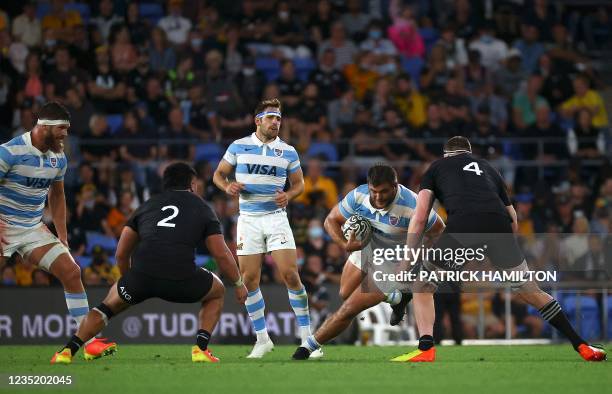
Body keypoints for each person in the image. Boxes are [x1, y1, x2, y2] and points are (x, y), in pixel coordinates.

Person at [391, 136, 607, 362]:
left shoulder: (436, 167)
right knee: (529, 290)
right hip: (499, 227)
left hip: (463, 224)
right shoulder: (488, 168)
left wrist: (407, 261)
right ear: (469, 152)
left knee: (423, 285)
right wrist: (499, 251)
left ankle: (426, 349)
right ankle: (581, 345)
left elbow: (420, 216)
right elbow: (513, 218)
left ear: (446, 154)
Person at [51, 163, 247, 364]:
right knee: (218, 291)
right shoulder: (203, 209)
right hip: (182, 279)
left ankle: (67, 351)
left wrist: (128, 280)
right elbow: (221, 254)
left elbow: (121, 253)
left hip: (141, 276)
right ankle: (200, 349)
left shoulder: (146, 206)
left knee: (106, 307)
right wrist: (239, 283)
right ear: (193, 185)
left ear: (166, 184)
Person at [292, 164, 445, 360]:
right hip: (365, 248)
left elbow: (439, 230)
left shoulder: (412, 205)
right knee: (344, 293)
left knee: (349, 308)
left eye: (384, 192)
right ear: (368, 186)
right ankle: (397, 298)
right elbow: (331, 220)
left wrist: (414, 258)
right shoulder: (358, 196)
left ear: (395, 186)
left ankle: (306, 348)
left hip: (392, 260)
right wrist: (344, 245)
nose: (378, 197)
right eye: (374, 191)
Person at [0, 102, 115, 360]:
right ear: (45, 127)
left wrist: (61, 235)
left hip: (32, 228)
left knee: (72, 271)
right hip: (3, 225)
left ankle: (90, 342)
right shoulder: (9, 152)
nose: (65, 135)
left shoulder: (58, 157)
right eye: (62, 129)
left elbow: (58, 195)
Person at [213, 98, 320, 358]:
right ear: (257, 120)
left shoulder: (288, 151)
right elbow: (218, 174)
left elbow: (299, 184)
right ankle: (262, 339)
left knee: (291, 275)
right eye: (271, 117)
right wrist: (227, 187)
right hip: (248, 220)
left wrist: (289, 196)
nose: (276, 122)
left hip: (276, 218)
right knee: (249, 280)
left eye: (279, 118)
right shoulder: (239, 146)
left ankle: (308, 339)